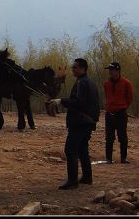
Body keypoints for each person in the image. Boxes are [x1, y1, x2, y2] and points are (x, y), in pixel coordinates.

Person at [49, 58, 100, 190]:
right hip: (88, 122)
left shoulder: (82, 83)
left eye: (75, 67)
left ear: (83, 68)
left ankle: (72, 181)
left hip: (80, 122)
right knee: (82, 149)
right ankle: (87, 177)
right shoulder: (89, 82)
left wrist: (61, 101)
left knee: (70, 149)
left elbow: (78, 103)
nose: (72, 70)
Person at [103, 62, 134, 164]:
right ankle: (108, 158)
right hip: (109, 113)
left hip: (121, 113)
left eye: (111, 70)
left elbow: (130, 98)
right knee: (109, 137)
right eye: (109, 70)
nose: (110, 72)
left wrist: (123, 107)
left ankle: (123, 158)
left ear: (117, 70)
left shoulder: (126, 83)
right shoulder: (106, 83)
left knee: (122, 136)